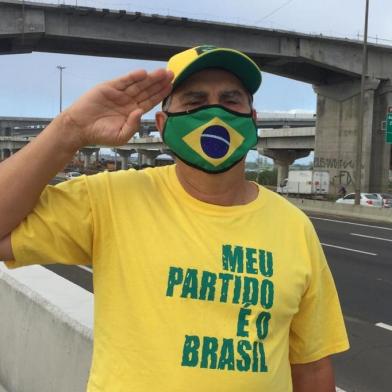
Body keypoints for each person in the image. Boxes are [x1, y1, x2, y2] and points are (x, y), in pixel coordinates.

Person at [0, 45, 349, 391]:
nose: (215, 113)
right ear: (164, 124)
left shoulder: (294, 226)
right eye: (195, 102)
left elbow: (312, 367)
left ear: (252, 121)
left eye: (230, 100)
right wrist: (69, 129)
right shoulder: (109, 199)